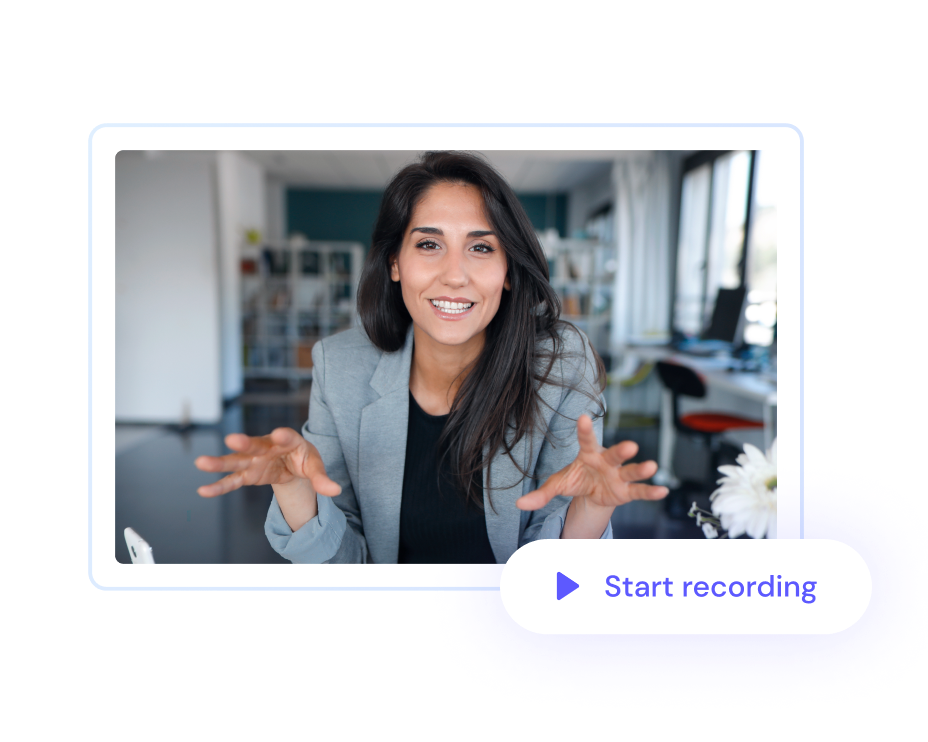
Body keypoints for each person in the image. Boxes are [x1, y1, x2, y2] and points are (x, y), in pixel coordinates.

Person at [195, 151, 668, 563]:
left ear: (507, 271)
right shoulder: (341, 367)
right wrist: (293, 489)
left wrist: (592, 508)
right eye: (429, 244)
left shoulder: (559, 366)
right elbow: (346, 567)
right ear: (396, 263)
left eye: (481, 247)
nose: (454, 275)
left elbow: (550, 580)